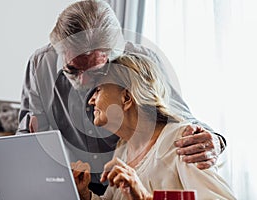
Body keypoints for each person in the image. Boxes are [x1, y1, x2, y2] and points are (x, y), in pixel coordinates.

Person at [17, 0, 226, 195]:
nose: (82, 82)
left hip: (127, 183)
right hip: (76, 185)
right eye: (72, 69)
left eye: (96, 72)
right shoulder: (40, 64)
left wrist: (216, 141)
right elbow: (29, 138)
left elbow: (179, 117)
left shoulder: (136, 64)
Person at [72, 53, 235, 200]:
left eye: (98, 90)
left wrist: (145, 198)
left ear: (127, 98)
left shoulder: (182, 142)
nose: (91, 100)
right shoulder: (122, 150)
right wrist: (85, 195)